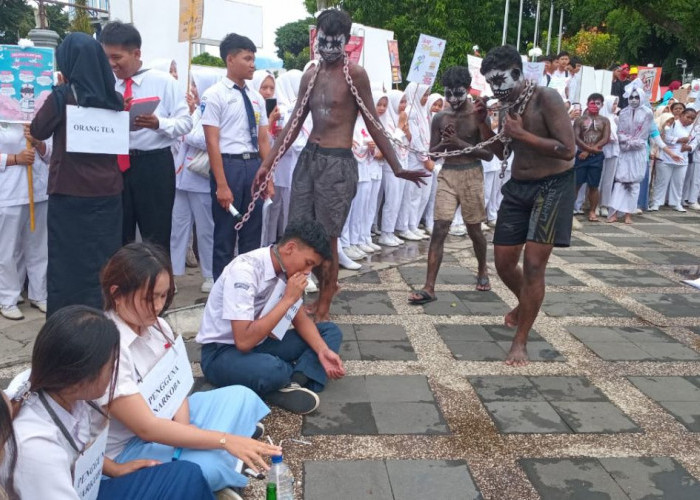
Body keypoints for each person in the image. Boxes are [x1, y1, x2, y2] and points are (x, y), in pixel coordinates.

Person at [253, 9, 428, 322]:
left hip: (337, 162)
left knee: (327, 237)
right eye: (324, 41)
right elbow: (294, 122)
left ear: (347, 42)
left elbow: (374, 123)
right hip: (308, 160)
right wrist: (268, 163)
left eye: (336, 42)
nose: (329, 47)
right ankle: (301, 294)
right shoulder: (310, 75)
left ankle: (325, 302)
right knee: (298, 233)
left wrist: (398, 167)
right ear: (316, 38)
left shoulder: (355, 75)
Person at [99, 243, 279, 494]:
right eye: (149, 298)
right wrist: (224, 440)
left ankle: (223, 456)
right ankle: (224, 461)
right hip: (131, 447)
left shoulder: (157, 324)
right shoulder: (107, 347)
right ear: (116, 294)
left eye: (163, 296)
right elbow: (146, 428)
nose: (158, 306)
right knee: (209, 467)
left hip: (168, 418)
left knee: (243, 396)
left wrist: (185, 428)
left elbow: (177, 384)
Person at [3, 305, 216, 500]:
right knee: (187, 477)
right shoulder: (37, 449)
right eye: (112, 366)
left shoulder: (51, 383)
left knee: (185, 474)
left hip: (84, 486)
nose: (118, 372)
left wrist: (114, 469)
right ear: (83, 377)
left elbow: (77, 447)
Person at [480, 45, 577, 366]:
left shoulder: (546, 98)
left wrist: (523, 133)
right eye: (490, 83)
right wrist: (483, 123)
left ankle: (520, 342)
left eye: (500, 81)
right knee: (504, 263)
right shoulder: (507, 106)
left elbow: (567, 150)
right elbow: (499, 151)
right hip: (518, 187)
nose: (496, 89)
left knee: (534, 264)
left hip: (553, 186)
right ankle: (525, 303)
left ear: (518, 74)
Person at [196, 219, 345, 415]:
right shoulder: (244, 271)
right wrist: (288, 299)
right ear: (290, 248)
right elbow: (243, 342)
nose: (308, 272)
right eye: (308, 263)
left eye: (312, 267)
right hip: (222, 353)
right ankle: (288, 377)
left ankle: (290, 383)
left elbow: (299, 319)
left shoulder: (287, 270)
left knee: (329, 332)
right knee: (273, 368)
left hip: (262, 343)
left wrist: (322, 351)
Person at [30, 32, 124, 317]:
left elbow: (38, 131)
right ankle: (104, 317)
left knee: (67, 263)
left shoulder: (63, 96)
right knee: (104, 259)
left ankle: (68, 322)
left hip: (70, 192)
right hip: (108, 194)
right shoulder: (115, 99)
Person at [100, 22, 192, 254]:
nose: (112, 64)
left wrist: (158, 123)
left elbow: (185, 122)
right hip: (115, 165)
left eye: (117, 57)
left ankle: (159, 287)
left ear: (136, 53)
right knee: (118, 233)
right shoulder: (106, 85)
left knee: (156, 234)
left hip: (154, 165)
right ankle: (124, 287)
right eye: (107, 57)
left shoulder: (164, 82)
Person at [408, 66, 496, 306]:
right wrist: (445, 144)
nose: (453, 100)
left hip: (471, 174)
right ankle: (429, 287)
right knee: (439, 228)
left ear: (467, 90)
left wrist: (457, 141)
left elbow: (489, 155)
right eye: (449, 94)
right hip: (448, 174)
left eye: (458, 94)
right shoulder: (439, 118)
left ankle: (482, 269)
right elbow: (433, 155)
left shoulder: (479, 115)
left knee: (474, 230)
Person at [201, 33, 271, 280]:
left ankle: (248, 286)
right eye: (248, 58)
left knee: (253, 231)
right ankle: (221, 289)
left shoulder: (255, 98)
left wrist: (267, 175)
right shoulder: (214, 95)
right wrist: (221, 184)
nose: (253, 64)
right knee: (225, 233)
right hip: (228, 166)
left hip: (253, 166)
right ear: (230, 59)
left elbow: (263, 139)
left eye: (253, 59)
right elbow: (212, 141)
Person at [170, 69, 220, 293]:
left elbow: (207, 139)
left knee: (205, 229)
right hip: (182, 177)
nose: (192, 89)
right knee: (177, 227)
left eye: (195, 85)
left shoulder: (212, 109)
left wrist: (184, 132)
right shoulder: (198, 111)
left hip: (200, 178)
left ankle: (209, 274)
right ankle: (172, 272)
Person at [607, 85, 681, 223]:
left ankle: (628, 214)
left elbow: (655, 135)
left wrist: (670, 152)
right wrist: (627, 141)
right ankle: (614, 213)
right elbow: (620, 132)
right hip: (625, 150)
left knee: (634, 184)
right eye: (631, 97)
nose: (633, 100)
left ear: (641, 98)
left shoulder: (647, 113)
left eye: (636, 97)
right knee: (620, 182)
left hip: (639, 152)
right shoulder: (623, 113)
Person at [0, 123, 49, 320]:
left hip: (39, 190)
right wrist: (14, 159)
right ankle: (8, 297)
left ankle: (40, 293)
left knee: (39, 247)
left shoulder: (39, 113)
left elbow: (52, 152)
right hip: (9, 192)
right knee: (7, 250)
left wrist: (38, 142)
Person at [396, 82, 433, 241]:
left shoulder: (421, 110)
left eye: (427, 95)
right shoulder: (411, 112)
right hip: (414, 158)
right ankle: (403, 226)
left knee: (420, 195)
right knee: (409, 195)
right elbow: (416, 139)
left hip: (424, 157)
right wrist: (425, 158)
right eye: (424, 95)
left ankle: (413, 225)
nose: (426, 98)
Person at [378, 89, 411, 247]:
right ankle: (385, 232)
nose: (403, 105)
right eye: (401, 102)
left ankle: (390, 232)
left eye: (405, 101)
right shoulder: (385, 120)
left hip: (402, 161)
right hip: (390, 165)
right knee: (391, 199)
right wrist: (399, 126)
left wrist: (406, 128)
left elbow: (408, 141)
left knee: (398, 199)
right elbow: (389, 143)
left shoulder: (401, 118)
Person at [650, 108, 698, 212]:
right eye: (688, 117)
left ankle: (676, 203)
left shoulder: (694, 129)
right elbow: (664, 137)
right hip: (666, 158)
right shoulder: (672, 123)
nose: (690, 120)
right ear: (681, 115)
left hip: (682, 159)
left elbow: (694, 143)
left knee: (678, 183)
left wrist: (688, 147)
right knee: (661, 182)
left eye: (692, 119)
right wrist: (679, 140)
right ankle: (656, 203)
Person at [573, 93, 610, 222]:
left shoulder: (605, 121)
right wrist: (586, 150)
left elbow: (605, 138)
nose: (595, 105)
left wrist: (588, 151)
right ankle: (569, 210)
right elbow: (576, 137)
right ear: (587, 103)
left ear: (602, 105)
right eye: (592, 103)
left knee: (594, 186)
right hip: (581, 155)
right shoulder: (580, 120)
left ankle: (592, 211)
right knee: (576, 184)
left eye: (598, 103)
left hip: (596, 156)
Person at [598, 96, 620, 217]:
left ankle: (604, 204)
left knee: (609, 179)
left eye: (616, 104)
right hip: (602, 150)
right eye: (613, 104)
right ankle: (595, 203)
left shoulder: (615, 119)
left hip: (613, 150)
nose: (615, 106)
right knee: (599, 178)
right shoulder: (601, 118)